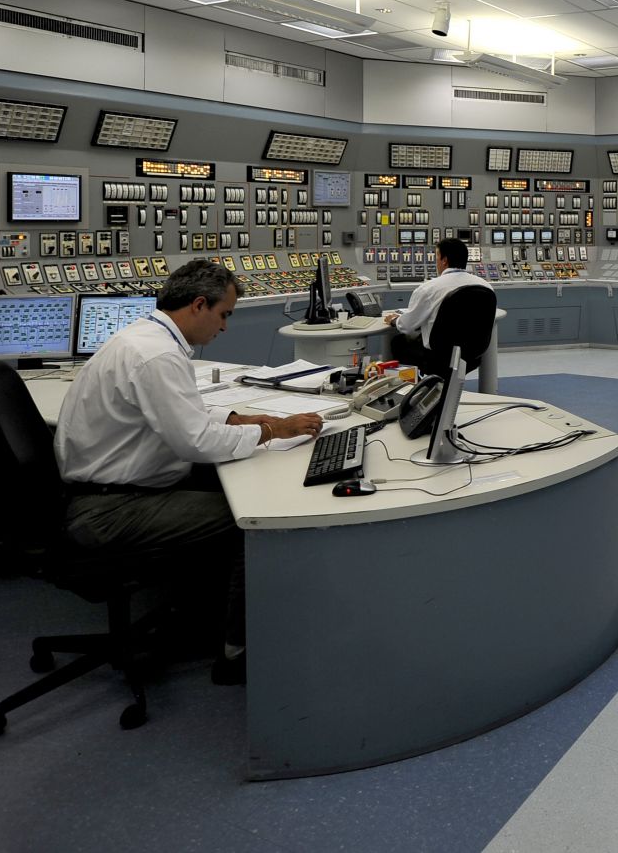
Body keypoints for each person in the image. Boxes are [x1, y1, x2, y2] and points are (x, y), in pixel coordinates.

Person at [55, 259, 324, 683]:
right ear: (199, 305)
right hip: (110, 509)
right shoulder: (157, 354)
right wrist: (273, 429)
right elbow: (195, 442)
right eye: (224, 315)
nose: (224, 328)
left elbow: (186, 414)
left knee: (224, 486)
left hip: (110, 489)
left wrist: (240, 419)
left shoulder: (144, 339)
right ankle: (237, 652)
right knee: (250, 521)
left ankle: (202, 609)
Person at [381, 237, 492, 379]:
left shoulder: (429, 288)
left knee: (398, 342)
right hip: (472, 356)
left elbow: (407, 326)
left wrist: (395, 320)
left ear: (444, 260)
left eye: (437, 256)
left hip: (438, 357)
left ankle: (409, 390)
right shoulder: (485, 286)